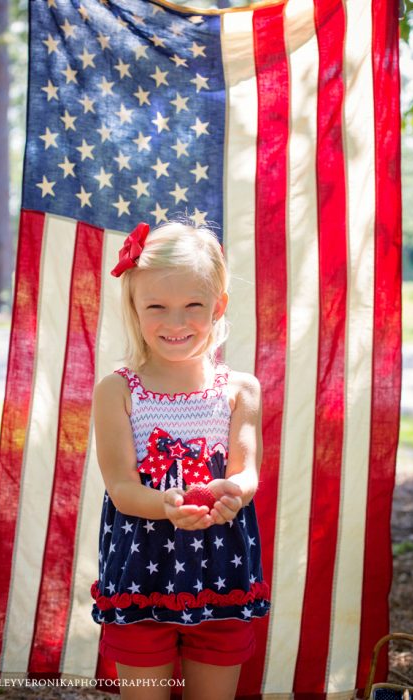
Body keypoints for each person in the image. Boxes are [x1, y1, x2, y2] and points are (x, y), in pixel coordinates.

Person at [90, 219, 270, 700]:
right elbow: (122, 489)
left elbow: (246, 469)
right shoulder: (117, 391)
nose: (176, 323)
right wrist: (166, 506)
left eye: (194, 305)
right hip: (140, 574)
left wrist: (232, 493)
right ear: (133, 306)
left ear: (219, 306)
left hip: (221, 571)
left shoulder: (240, 390)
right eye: (157, 307)